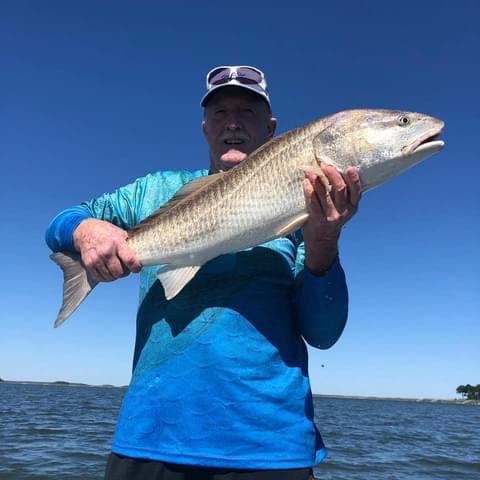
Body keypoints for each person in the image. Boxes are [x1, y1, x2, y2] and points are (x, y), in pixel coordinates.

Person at [46, 65, 361, 480]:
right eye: (220, 113)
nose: (232, 122)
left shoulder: (304, 205)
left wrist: (323, 238)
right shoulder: (155, 190)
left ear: (270, 128)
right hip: (152, 436)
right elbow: (61, 223)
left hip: (270, 447)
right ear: (204, 128)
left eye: (247, 112)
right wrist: (84, 231)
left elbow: (323, 333)